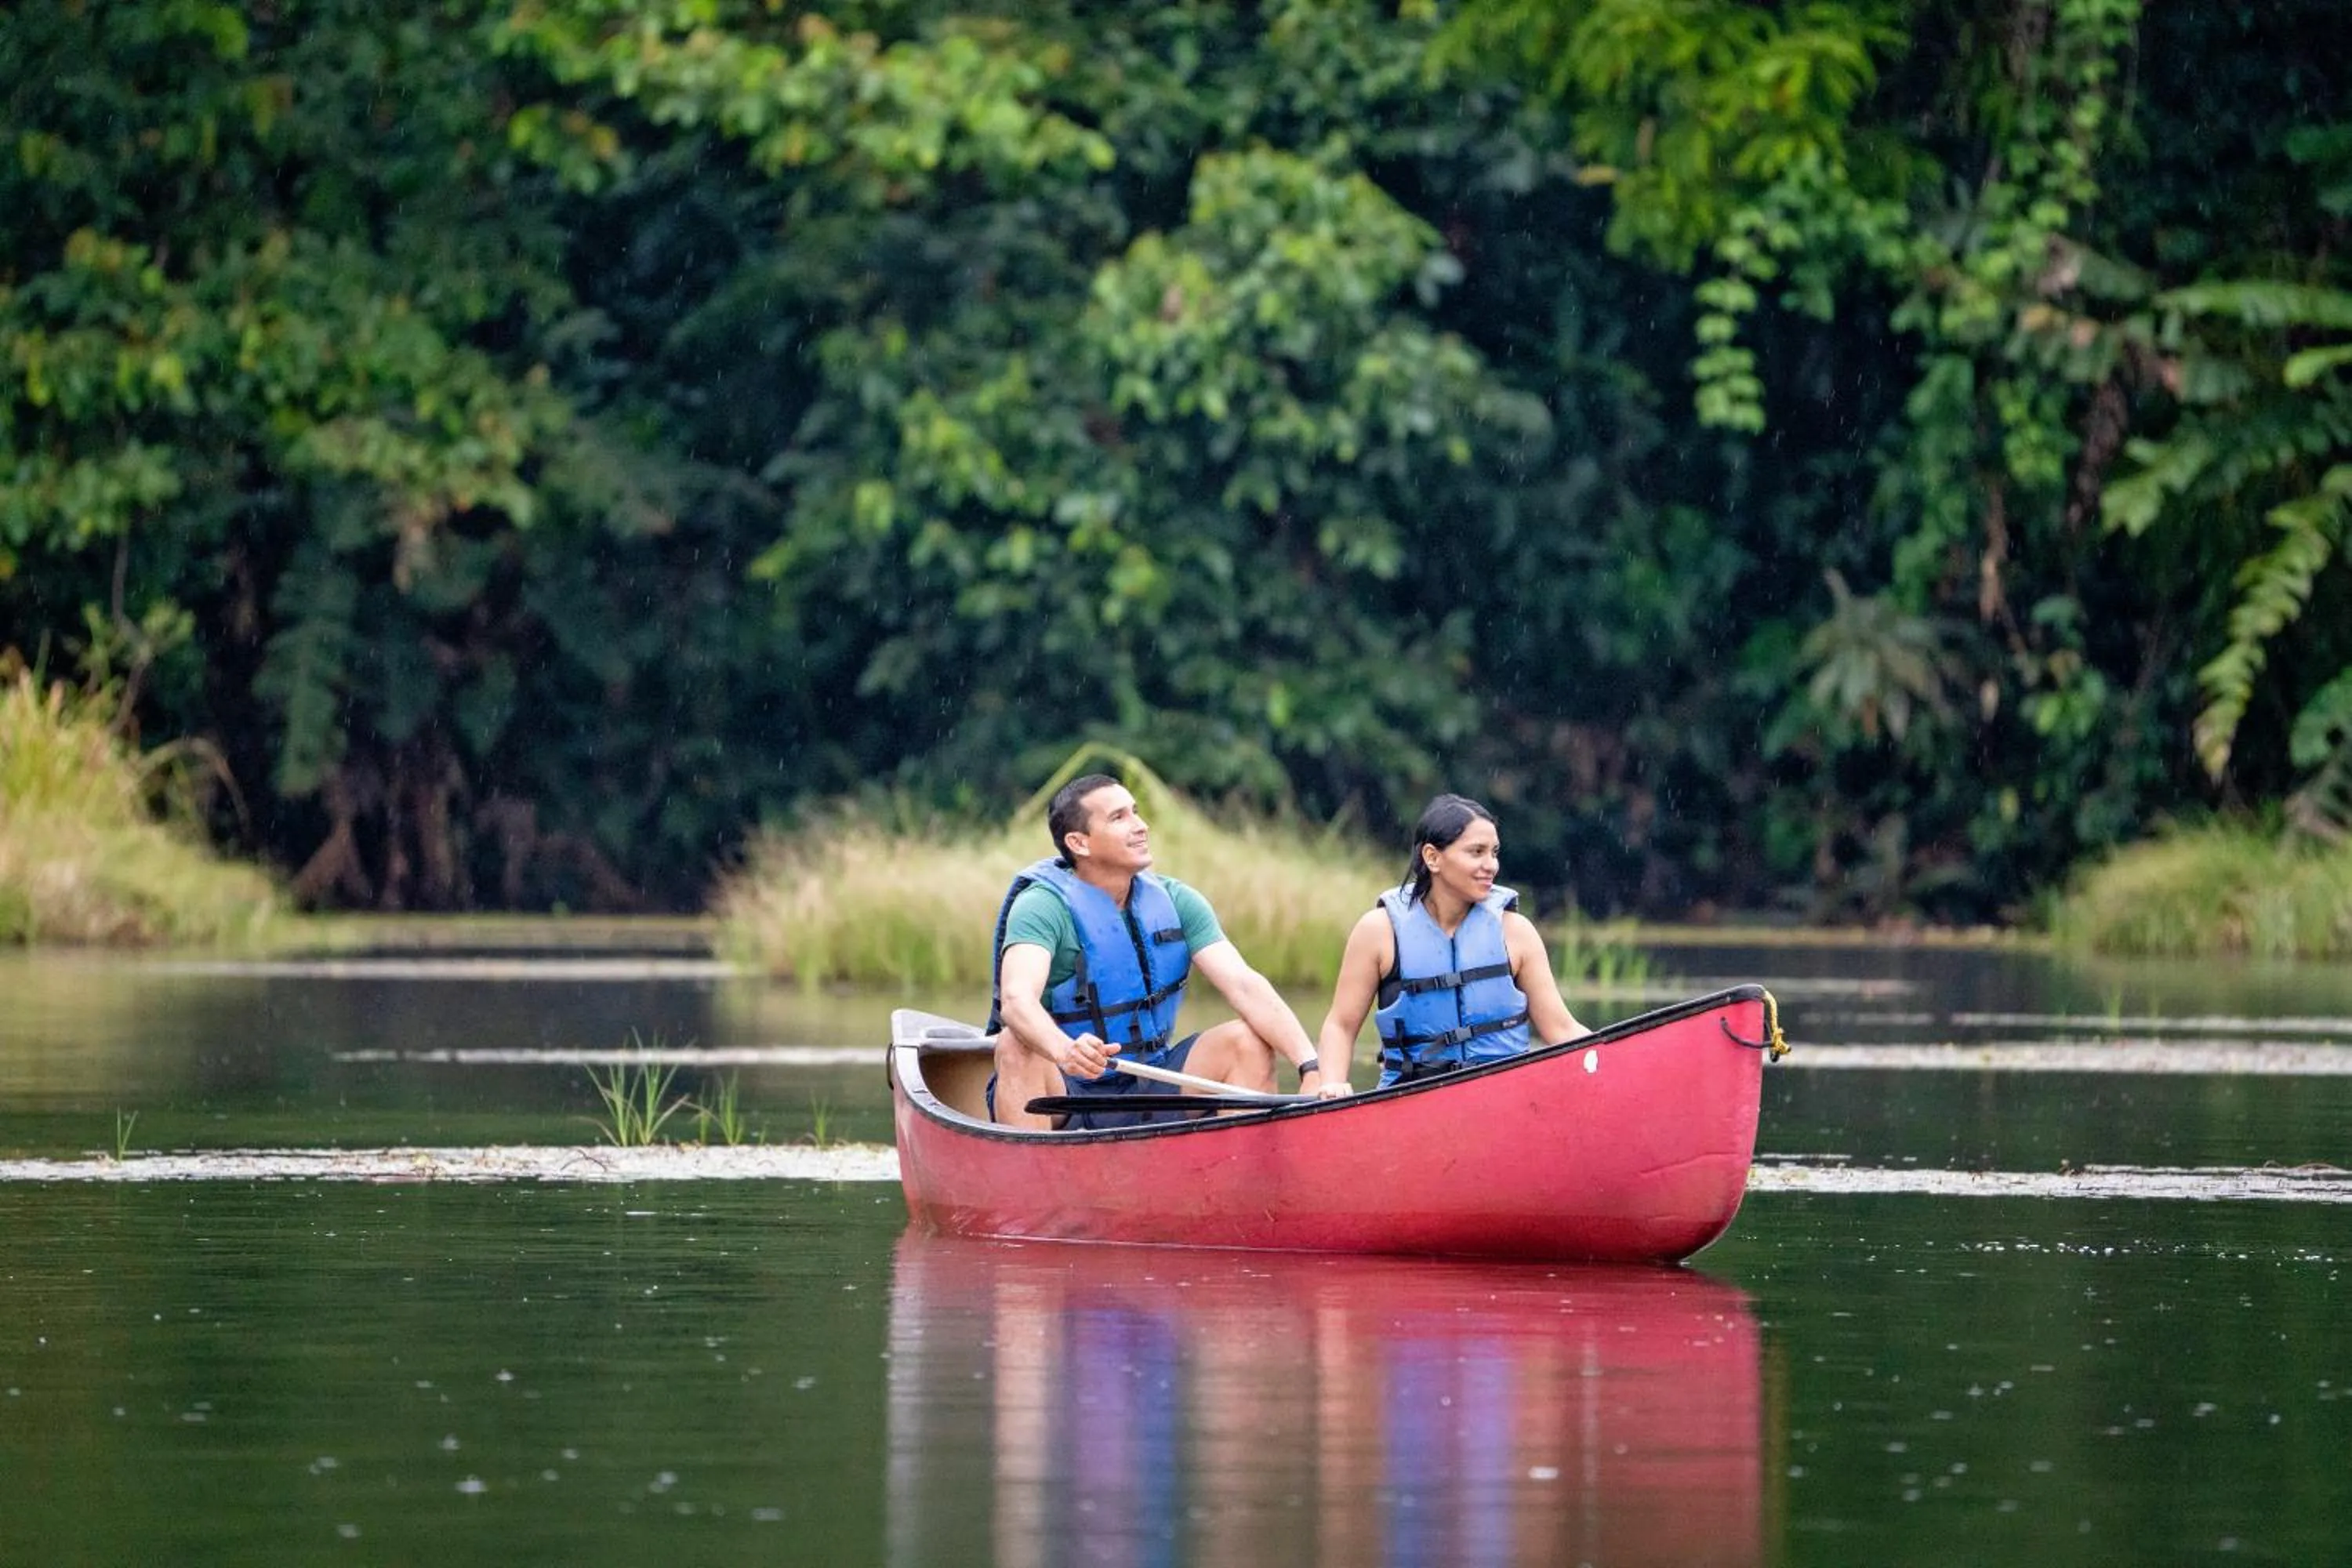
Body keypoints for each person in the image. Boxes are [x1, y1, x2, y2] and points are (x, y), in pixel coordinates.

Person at [988, 773, 1342, 1129]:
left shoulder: (1177, 901)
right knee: (1016, 1045)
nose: (1140, 826)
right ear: (1079, 843)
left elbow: (1244, 985)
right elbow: (1017, 1001)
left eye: (1136, 812)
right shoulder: (1042, 907)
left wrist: (1310, 1066)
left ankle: (1239, 1175)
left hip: (1152, 1080)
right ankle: (1030, 1176)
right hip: (1066, 1091)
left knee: (1247, 1041)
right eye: (1118, 818)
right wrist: (1065, 1050)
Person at [1316, 793, 1588, 1089]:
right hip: (1410, 1098)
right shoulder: (1378, 932)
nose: (1492, 865)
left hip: (1506, 1097)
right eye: (1477, 852)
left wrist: (1618, 1060)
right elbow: (1340, 1026)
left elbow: (1561, 1029)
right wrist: (1331, 1084)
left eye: (1494, 853)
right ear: (1432, 857)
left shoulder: (1516, 932)